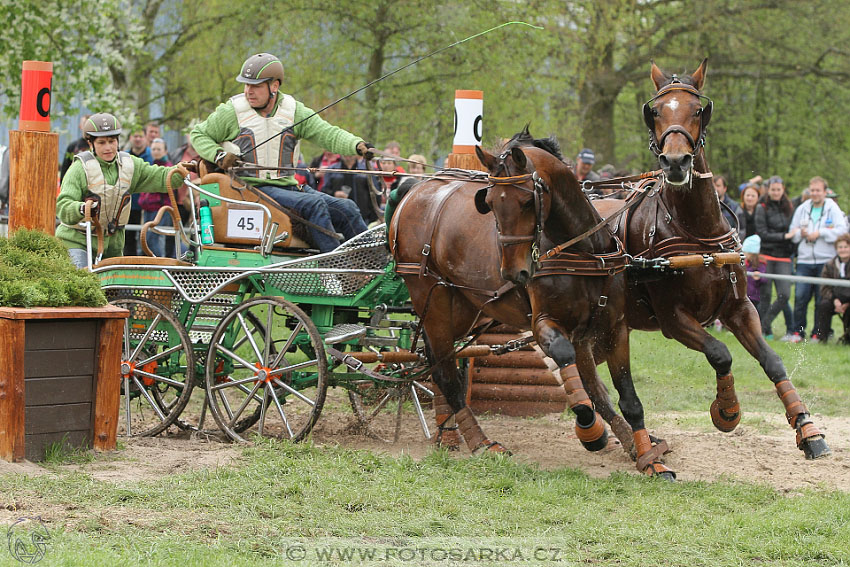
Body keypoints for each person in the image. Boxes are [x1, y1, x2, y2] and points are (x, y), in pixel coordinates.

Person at [191, 53, 372, 253]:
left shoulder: (294, 112)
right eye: (246, 85)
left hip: (289, 189)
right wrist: (219, 155)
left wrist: (356, 145)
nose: (248, 91)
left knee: (348, 208)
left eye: (256, 86)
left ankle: (373, 265)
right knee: (314, 204)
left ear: (274, 86)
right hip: (252, 190)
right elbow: (198, 134)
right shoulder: (231, 113)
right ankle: (337, 268)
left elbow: (328, 134)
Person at [55, 113, 188, 268]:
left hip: (112, 249)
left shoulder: (130, 165)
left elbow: (160, 176)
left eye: (112, 141)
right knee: (82, 285)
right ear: (90, 143)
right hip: (77, 243)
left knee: (122, 292)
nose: (108, 147)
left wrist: (181, 170)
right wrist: (81, 209)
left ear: (118, 141)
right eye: (102, 142)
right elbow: (63, 206)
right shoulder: (79, 168)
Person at [787, 176, 849, 342]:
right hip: (804, 260)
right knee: (800, 297)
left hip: (825, 260)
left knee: (820, 298)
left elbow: (842, 232)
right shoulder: (802, 208)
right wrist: (801, 233)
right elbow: (792, 233)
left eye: (818, 191)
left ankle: (817, 333)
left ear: (825, 192)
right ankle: (797, 332)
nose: (814, 194)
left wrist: (820, 233)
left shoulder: (832, 208)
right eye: (812, 190)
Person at [755, 176, 796, 339]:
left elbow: (794, 228)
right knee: (764, 297)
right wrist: (784, 236)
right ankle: (762, 332)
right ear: (768, 190)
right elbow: (763, 233)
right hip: (766, 254)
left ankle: (763, 324)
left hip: (784, 257)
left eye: (779, 189)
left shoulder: (790, 207)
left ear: (783, 190)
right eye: (773, 189)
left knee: (784, 295)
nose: (776, 192)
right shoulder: (762, 207)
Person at [138, 138, 178, 258]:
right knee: (146, 238)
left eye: (159, 149)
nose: (156, 151)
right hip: (148, 208)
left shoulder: (168, 168)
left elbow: (169, 188)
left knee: (154, 239)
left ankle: (159, 263)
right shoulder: (151, 166)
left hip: (161, 209)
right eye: (154, 149)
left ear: (165, 151)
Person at [814, 233, 850, 344]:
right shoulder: (829, 265)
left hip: (849, 300)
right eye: (840, 247)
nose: (843, 250)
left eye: (845, 247)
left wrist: (847, 303)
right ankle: (822, 337)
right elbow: (824, 287)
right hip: (834, 298)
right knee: (823, 305)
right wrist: (835, 300)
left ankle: (847, 339)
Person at [324, 154, 379, 224]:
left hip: (362, 218)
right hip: (338, 217)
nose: (347, 154)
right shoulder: (331, 170)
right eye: (344, 151)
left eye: (350, 151)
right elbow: (323, 191)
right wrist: (333, 193)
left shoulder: (366, 170)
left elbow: (375, 193)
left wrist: (373, 218)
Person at [60, 114, 91, 180]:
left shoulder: (98, 145)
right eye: (85, 124)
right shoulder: (73, 146)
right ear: (80, 126)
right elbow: (65, 169)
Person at [742, 234, 768, 312]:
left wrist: (759, 277)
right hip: (743, 295)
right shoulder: (743, 262)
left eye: (745, 253)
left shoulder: (760, 263)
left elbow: (764, 279)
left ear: (751, 253)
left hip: (753, 297)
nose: (744, 255)